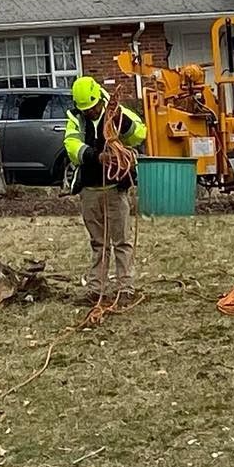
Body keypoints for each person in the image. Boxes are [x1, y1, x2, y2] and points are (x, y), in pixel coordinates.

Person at [65, 76, 147, 304]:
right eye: (86, 110)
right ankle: (96, 289)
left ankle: (125, 288)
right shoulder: (75, 118)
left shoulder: (116, 111)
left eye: (92, 108)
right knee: (98, 242)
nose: (90, 113)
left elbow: (140, 134)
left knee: (121, 240)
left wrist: (122, 121)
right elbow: (71, 146)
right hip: (90, 190)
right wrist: (95, 156)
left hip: (115, 189)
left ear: (99, 99)